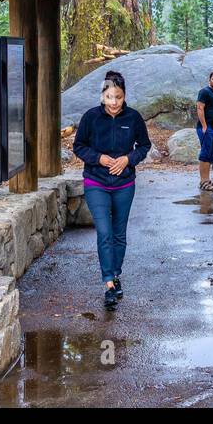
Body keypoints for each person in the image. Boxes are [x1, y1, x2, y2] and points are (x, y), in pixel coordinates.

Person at [72, 71, 151, 311]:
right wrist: (99, 158)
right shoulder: (91, 118)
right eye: (109, 97)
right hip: (96, 182)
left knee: (119, 234)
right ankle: (108, 283)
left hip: (124, 184)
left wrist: (128, 159)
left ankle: (115, 274)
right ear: (102, 96)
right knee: (104, 232)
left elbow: (144, 146)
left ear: (124, 95)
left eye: (118, 96)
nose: (114, 102)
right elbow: (79, 146)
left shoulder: (134, 118)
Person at [195, 70, 213, 192]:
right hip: (206, 128)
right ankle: (203, 181)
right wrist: (204, 126)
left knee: (211, 155)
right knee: (205, 155)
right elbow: (200, 108)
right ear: (209, 80)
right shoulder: (204, 92)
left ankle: (207, 180)